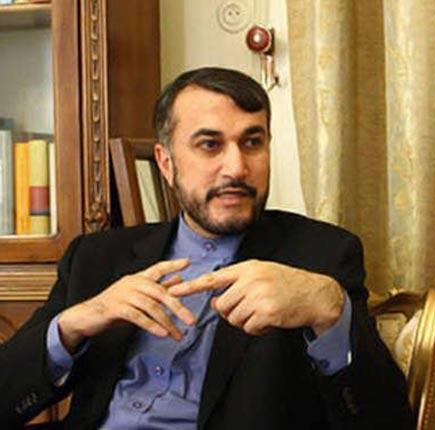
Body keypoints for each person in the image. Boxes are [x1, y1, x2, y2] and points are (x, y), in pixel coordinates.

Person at [0, 67, 412, 429]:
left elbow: (387, 422)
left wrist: (330, 311)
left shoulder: (321, 255)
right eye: (210, 145)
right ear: (166, 163)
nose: (236, 168)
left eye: (252, 142)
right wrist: (73, 325)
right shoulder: (96, 258)